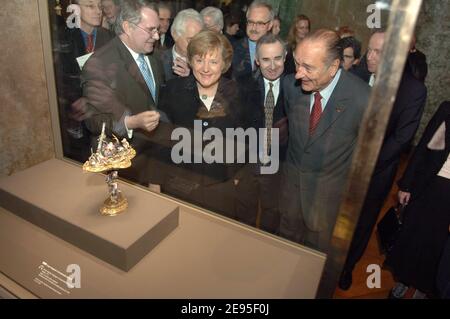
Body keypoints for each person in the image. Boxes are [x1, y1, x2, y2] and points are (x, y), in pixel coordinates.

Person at [339, 30, 427, 291]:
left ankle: (346, 267)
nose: (370, 57)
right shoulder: (356, 75)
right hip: (340, 162)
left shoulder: (413, 90)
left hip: (375, 172)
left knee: (361, 223)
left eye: (379, 52)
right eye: (371, 49)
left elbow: (401, 139)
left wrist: (364, 167)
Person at [279, 29, 370, 252]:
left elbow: (363, 159)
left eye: (308, 67)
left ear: (333, 67)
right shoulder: (290, 85)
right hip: (290, 195)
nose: (299, 74)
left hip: (326, 203)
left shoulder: (363, 99)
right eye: (297, 63)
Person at [157, 30, 244, 218]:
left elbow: (246, 139)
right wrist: (155, 182)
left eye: (213, 61)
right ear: (190, 61)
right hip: (179, 186)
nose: (205, 68)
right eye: (199, 60)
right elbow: (160, 140)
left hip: (221, 189)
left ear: (224, 64)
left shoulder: (238, 94)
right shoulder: (173, 90)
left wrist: (235, 178)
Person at [80, 0, 165, 186]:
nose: (157, 36)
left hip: (154, 158)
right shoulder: (99, 65)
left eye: (157, 29)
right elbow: (93, 120)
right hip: (121, 164)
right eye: (151, 29)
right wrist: (130, 122)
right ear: (127, 27)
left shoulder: (154, 55)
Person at [384, 101, 450, 299]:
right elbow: (424, 147)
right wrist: (406, 185)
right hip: (429, 184)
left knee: (437, 246)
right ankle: (403, 280)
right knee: (412, 236)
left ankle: (422, 288)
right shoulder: (447, 109)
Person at [234, 33, 288, 234]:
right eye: (265, 59)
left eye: (277, 58)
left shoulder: (297, 87)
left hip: (280, 167)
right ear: (257, 61)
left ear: (285, 57)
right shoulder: (242, 84)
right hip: (248, 164)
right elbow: (235, 128)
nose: (272, 65)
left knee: (272, 219)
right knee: (243, 219)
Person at [57, 0, 113, 162]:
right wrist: (73, 100)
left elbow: (118, 76)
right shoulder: (63, 39)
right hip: (76, 125)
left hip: (106, 122)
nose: (97, 11)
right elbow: (57, 79)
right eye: (90, 6)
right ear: (75, 8)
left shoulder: (110, 38)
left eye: (99, 6)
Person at [231, 0, 274, 79]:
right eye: (250, 22)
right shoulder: (231, 49)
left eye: (260, 23)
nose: (254, 28)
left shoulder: (278, 50)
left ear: (270, 25)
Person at [159, 9, 204, 81]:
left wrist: (190, 77)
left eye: (199, 40)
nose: (196, 45)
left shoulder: (206, 62)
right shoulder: (159, 60)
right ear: (175, 35)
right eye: (190, 40)